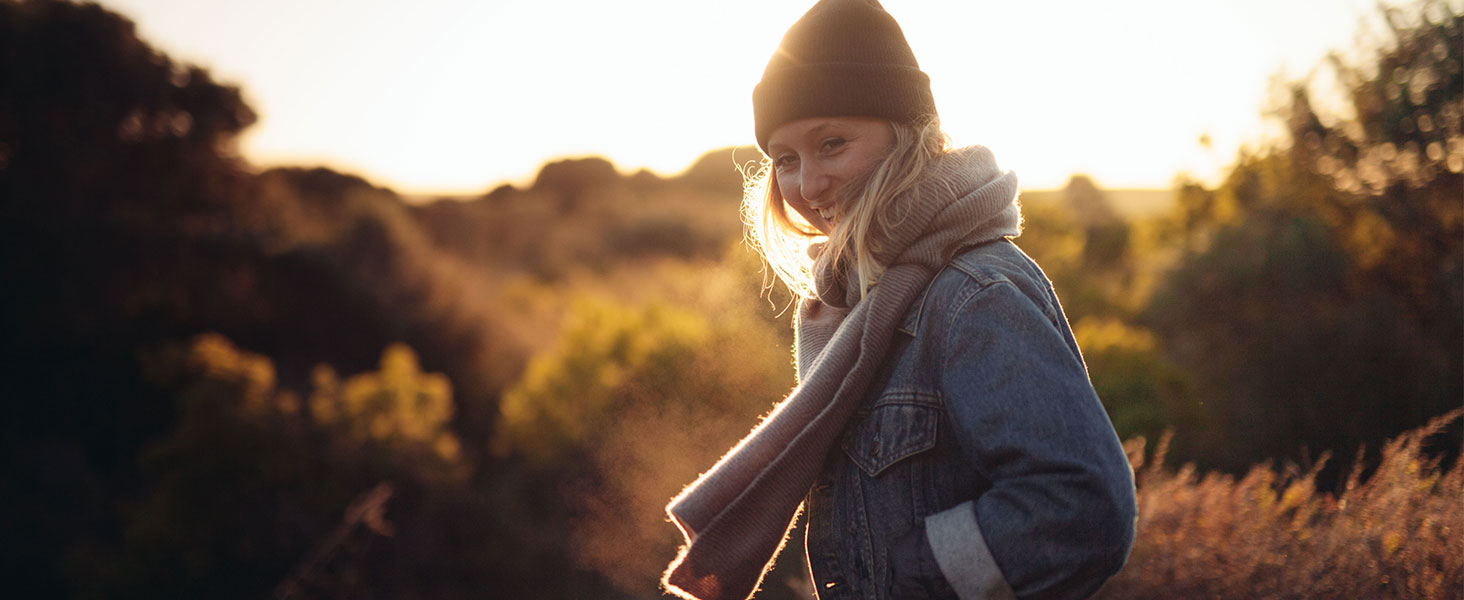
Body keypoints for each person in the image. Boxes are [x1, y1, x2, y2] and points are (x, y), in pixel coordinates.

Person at [662, 1, 1137, 599]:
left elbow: (1082, 507)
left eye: (832, 143)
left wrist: (911, 575)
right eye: (785, 160)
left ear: (909, 138)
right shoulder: (855, 304)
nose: (808, 186)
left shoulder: (973, 295)